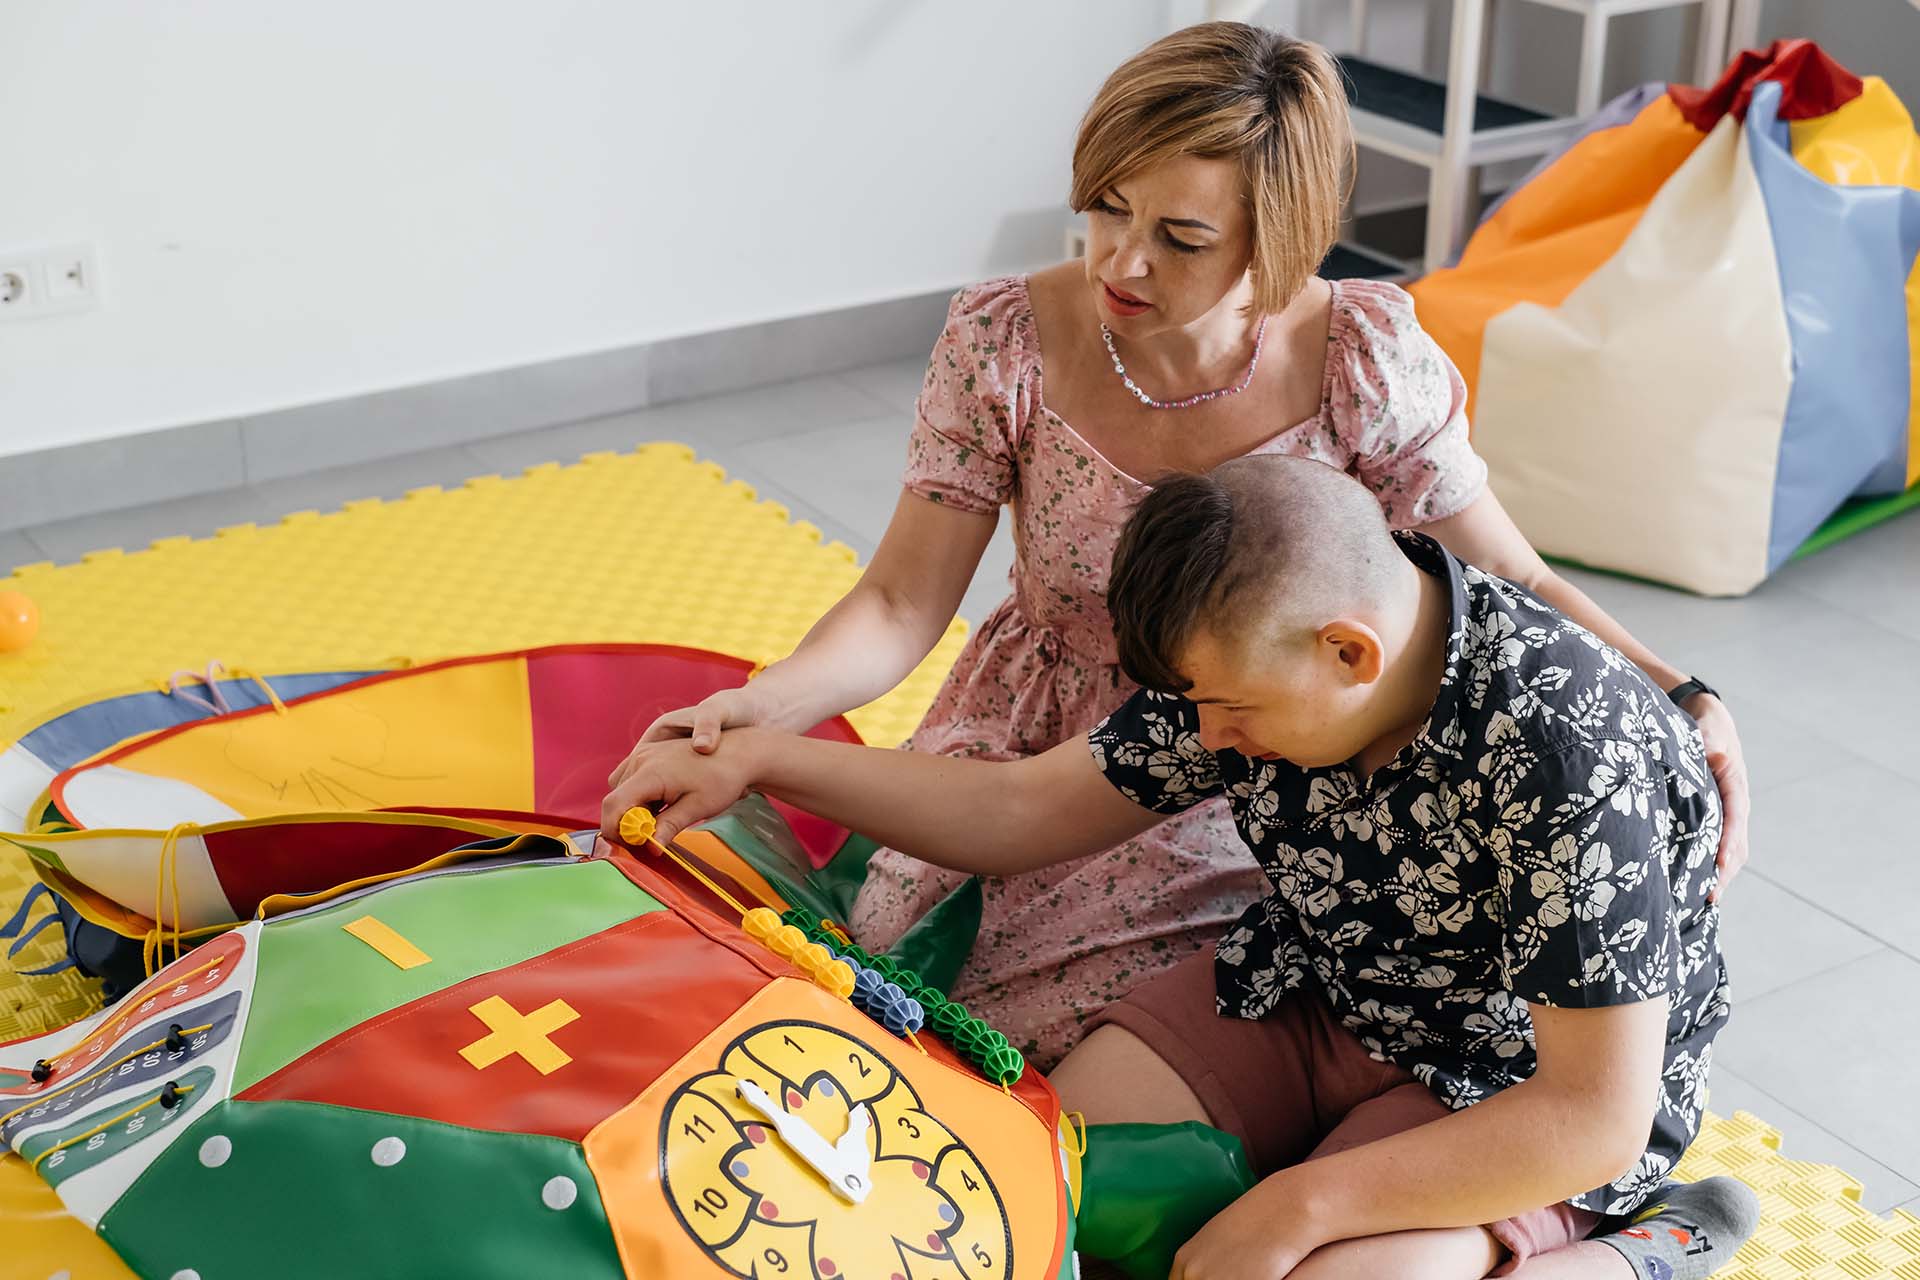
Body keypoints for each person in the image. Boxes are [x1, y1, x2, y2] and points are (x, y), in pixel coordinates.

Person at [613, 21, 1752, 1069]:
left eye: (1182, 238)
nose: (1122, 263)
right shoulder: (1005, 339)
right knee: (894, 979)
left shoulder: (1360, 361)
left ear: (1278, 239)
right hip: (1041, 736)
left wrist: (1681, 693)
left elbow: (1508, 572)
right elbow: (901, 602)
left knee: (1102, 1042)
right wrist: (765, 707)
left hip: (1253, 752)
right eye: (1107, 209)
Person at [600, 456, 1758, 1280]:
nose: (1206, 737)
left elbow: (1592, 1112)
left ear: (1349, 652)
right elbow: (1022, 806)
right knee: (1013, 1171)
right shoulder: (1255, 645)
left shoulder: (1564, 747)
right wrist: (766, 758)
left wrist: (1298, 1204)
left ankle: (1639, 1249)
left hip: (1517, 1077)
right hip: (1315, 985)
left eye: (1228, 709)